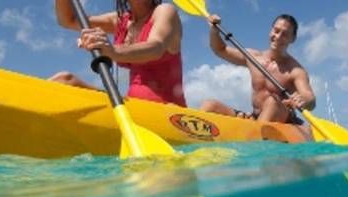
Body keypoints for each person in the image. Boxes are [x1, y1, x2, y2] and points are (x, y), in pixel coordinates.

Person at [51, 0, 186, 106]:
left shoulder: (164, 11)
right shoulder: (120, 20)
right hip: (131, 105)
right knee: (64, 80)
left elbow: (156, 47)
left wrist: (113, 51)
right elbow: (68, 20)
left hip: (169, 113)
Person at [200, 14, 316, 124]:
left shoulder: (295, 70)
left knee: (272, 101)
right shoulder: (253, 57)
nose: (278, 37)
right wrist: (214, 32)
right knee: (210, 105)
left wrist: (304, 100)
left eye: (285, 34)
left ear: (293, 39)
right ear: (271, 30)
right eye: (276, 30)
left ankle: (253, 139)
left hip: (284, 120)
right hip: (255, 117)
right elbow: (220, 50)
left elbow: (310, 98)